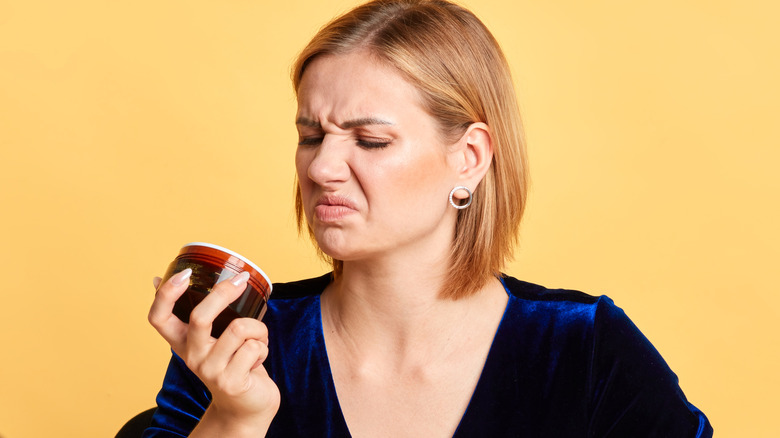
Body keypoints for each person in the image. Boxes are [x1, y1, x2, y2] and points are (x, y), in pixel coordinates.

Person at [144, 0, 713, 436]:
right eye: (311, 136)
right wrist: (236, 420)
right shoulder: (239, 347)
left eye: (370, 140)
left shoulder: (583, 347)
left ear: (469, 157)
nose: (322, 166)